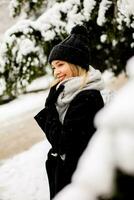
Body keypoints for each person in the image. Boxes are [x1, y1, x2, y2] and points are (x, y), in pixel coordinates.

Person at [34, 24, 104, 200]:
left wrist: (50, 108)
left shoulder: (86, 97)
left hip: (79, 181)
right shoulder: (68, 94)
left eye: (60, 65)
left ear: (75, 64)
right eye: (53, 68)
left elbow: (63, 143)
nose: (56, 72)